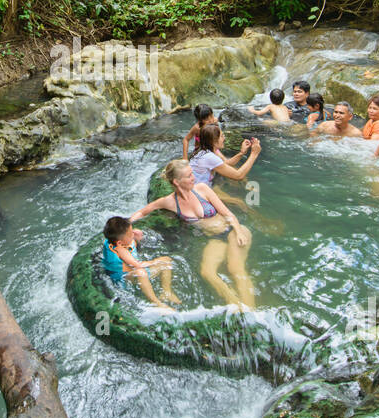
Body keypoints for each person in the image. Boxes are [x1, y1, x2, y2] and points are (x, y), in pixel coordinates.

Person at [129, 160, 255, 309]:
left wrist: (239, 232)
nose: (193, 177)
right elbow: (143, 211)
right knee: (207, 272)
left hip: (233, 231)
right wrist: (126, 224)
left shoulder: (202, 189)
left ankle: (251, 310)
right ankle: (237, 307)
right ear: (177, 181)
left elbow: (227, 213)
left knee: (235, 268)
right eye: (189, 176)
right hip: (214, 238)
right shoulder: (169, 202)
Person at [101, 215, 179, 309]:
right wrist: (154, 262)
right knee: (141, 273)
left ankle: (166, 292)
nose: (133, 234)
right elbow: (137, 266)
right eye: (130, 234)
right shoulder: (118, 253)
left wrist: (135, 236)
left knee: (166, 260)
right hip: (123, 277)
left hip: (131, 262)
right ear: (119, 243)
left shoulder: (116, 239)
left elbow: (125, 236)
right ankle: (157, 303)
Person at [190, 123, 260, 186]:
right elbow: (238, 176)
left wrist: (241, 153)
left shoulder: (204, 151)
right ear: (213, 141)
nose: (224, 138)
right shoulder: (209, 157)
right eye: (222, 136)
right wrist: (254, 154)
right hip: (196, 194)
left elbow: (226, 164)